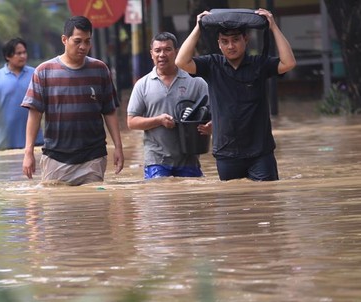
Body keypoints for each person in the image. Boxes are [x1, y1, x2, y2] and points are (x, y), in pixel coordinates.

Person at [175, 8, 296, 181]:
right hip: (226, 153)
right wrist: (198, 28)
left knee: (266, 203)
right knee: (231, 204)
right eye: (225, 41)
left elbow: (289, 63)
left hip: (260, 153)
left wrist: (274, 27)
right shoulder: (212, 64)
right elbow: (181, 62)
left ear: (245, 40)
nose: (230, 46)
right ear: (219, 44)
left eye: (235, 40)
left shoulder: (259, 64)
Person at [21, 15, 123, 186]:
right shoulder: (44, 72)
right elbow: (35, 113)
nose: (83, 46)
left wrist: (118, 147)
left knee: (94, 208)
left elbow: (110, 111)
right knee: (56, 208)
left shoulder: (100, 70)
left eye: (87, 41)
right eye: (77, 41)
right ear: (64, 40)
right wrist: (28, 152)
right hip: (56, 156)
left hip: (93, 156)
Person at [127, 32, 212, 179]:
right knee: (160, 195)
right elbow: (131, 122)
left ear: (177, 52)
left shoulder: (196, 82)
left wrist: (211, 126)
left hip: (189, 159)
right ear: (151, 54)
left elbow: (216, 113)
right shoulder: (142, 85)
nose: (162, 54)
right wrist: (158, 120)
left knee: (192, 198)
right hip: (156, 160)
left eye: (167, 49)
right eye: (157, 50)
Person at [0, 37, 42, 151]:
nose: (23, 56)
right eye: (18, 53)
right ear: (8, 56)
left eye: (24, 52)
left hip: (35, 142)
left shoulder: (35, 74)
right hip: (6, 143)